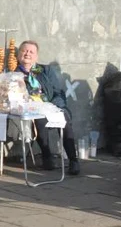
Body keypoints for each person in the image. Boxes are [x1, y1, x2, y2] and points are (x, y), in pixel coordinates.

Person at [17, 41, 81, 175]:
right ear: (19, 54)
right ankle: (47, 157)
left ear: (36, 57)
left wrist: (57, 107)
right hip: (32, 109)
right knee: (39, 120)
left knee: (64, 118)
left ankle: (73, 160)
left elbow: (58, 91)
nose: (27, 54)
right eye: (24, 51)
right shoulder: (14, 74)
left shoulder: (46, 70)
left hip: (51, 105)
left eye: (31, 52)